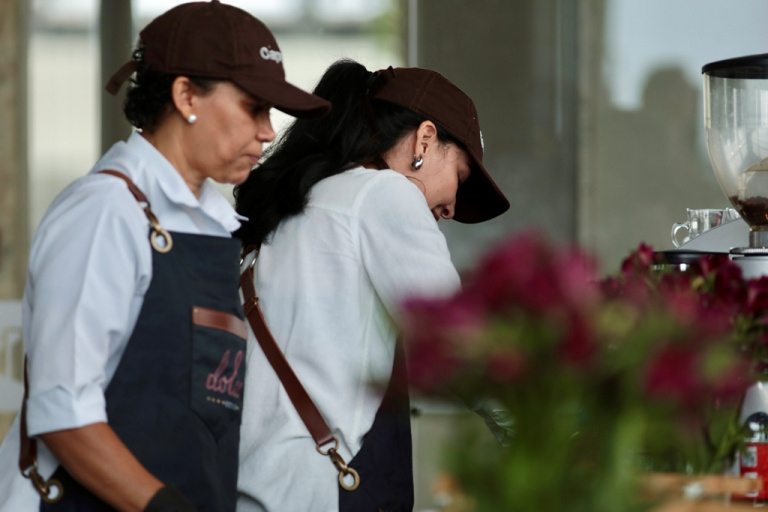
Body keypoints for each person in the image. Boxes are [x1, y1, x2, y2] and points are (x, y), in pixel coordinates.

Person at [0, 2, 330, 511]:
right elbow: (63, 412)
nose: (268, 132)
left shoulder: (211, 227)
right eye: (254, 108)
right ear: (185, 95)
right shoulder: (106, 211)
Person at [234, 59, 510, 512]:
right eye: (459, 177)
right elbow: (459, 346)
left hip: (251, 486)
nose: (451, 207)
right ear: (425, 140)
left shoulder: (292, 203)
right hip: (320, 492)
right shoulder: (384, 194)